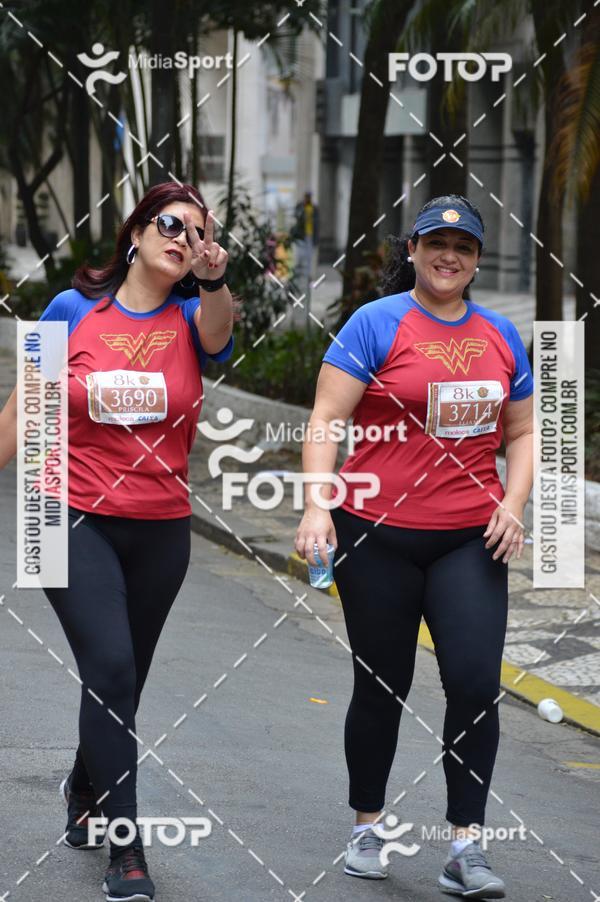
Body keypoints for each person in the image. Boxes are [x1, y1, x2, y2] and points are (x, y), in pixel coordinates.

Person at [0, 182, 234, 902]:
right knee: (109, 664)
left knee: (119, 681)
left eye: (197, 232)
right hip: (67, 513)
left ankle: (83, 783)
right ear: (135, 231)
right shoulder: (72, 310)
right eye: (171, 224)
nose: (184, 238)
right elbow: (21, 411)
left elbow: (224, 334)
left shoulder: (196, 319)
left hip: (162, 528)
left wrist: (216, 278)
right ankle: (126, 852)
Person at [295, 195, 534, 899]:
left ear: (478, 259)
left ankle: (466, 846)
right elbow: (325, 418)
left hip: (469, 536)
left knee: (473, 684)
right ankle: (368, 827)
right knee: (382, 684)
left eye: (462, 246)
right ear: (413, 249)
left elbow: (520, 434)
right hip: (376, 536)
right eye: (436, 242)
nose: (448, 255)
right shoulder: (376, 323)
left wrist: (513, 504)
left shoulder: (499, 336)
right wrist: (317, 506)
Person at [293, 190, 320, 282]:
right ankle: (298, 274)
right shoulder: (300, 206)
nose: (308, 198)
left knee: (309, 257)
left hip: (310, 235)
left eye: (309, 196)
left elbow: (317, 222)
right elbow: (296, 216)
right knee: (299, 255)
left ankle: (308, 275)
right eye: (306, 196)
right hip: (301, 235)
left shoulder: (314, 208)